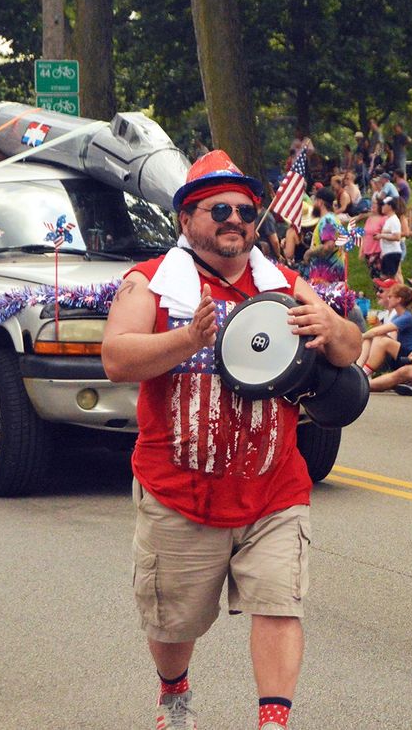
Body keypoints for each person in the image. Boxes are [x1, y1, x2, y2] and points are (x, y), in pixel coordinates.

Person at [101, 150, 360, 730]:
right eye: (219, 208)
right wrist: (186, 338)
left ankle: (274, 720)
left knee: (279, 602)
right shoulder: (151, 283)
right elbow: (117, 357)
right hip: (179, 490)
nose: (235, 219)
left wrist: (334, 329)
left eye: (245, 209)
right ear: (186, 220)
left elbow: (350, 351)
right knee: (173, 625)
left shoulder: (283, 283)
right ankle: (174, 692)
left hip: (274, 488)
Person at [358, 283, 412, 376]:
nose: (388, 299)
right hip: (402, 354)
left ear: (398, 299)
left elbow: (378, 332)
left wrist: (361, 336)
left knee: (380, 338)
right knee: (375, 337)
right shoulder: (398, 316)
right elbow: (387, 336)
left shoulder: (407, 317)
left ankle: (364, 373)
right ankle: (359, 368)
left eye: (390, 297)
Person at [375, 196, 404, 280]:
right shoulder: (389, 220)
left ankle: (398, 292)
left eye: (384, 205)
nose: (382, 207)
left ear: (390, 206)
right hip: (387, 253)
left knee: (389, 278)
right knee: (387, 277)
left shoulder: (394, 220)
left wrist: (381, 235)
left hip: (392, 253)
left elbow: (397, 236)